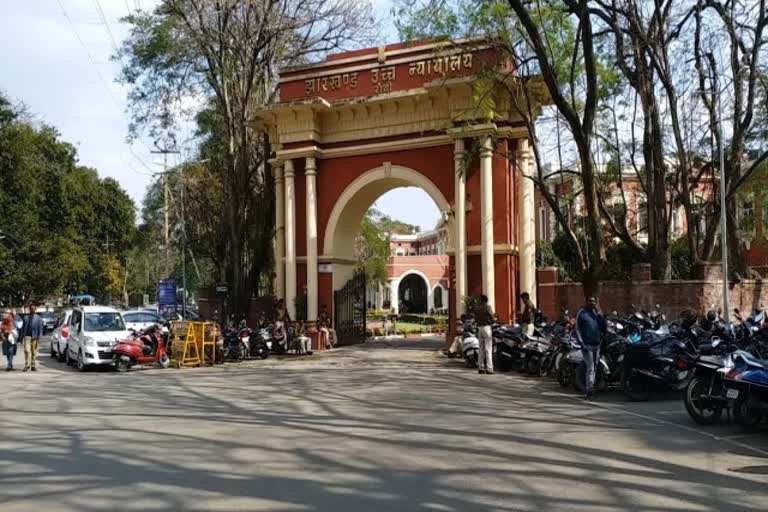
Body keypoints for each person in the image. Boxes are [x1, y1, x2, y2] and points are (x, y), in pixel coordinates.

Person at [575, 296, 607, 400]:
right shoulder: (582, 313)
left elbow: (604, 327)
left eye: (593, 301)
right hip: (587, 345)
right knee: (590, 367)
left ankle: (592, 387)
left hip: (596, 344)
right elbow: (577, 329)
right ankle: (590, 391)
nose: (592, 303)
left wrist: (600, 313)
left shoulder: (596, 314)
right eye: (590, 301)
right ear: (586, 302)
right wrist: (581, 342)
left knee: (595, 367)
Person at [20, 304, 43, 372]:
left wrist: (39, 337)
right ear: (29, 309)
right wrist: (21, 337)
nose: (32, 310)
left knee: (34, 351)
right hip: (27, 336)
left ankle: (33, 365)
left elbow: (40, 328)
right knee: (27, 351)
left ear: (35, 309)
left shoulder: (38, 318)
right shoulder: (26, 317)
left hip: (35, 336)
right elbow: (23, 328)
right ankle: (27, 365)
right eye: (31, 308)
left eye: (33, 308)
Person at [476, 295, 495, 375]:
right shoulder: (487, 307)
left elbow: (475, 318)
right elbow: (492, 316)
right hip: (487, 328)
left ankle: (480, 367)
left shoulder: (477, 308)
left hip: (479, 328)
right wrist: (492, 322)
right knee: (488, 348)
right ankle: (489, 368)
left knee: (481, 348)